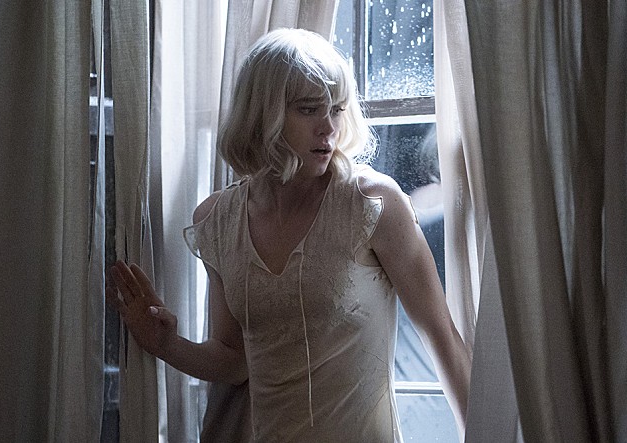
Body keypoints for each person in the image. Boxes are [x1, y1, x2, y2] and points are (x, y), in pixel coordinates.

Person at [106, 28, 470, 443]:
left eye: (336, 109)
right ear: (263, 115)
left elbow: (442, 336)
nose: (328, 128)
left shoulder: (371, 203)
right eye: (309, 110)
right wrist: (167, 344)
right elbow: (234, 362)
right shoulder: (218, 220)